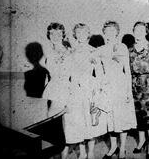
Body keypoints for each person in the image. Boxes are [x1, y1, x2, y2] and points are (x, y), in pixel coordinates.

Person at [69, 23, 108, 159]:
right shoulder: (71, 51)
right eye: (78, 33)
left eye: (83, 33)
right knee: (80, 121)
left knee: (90, 119)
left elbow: (99, 71)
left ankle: (90, 152)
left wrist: (98, 89)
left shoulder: (93, 51)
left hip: (89, 87)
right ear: (75, 35)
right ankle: (82, 152)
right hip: (75, 89)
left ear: (88, 34)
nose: (81, 35)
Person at [99, 21, 137, 159]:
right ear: (104, 32)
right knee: (110, 119)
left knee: (122, 118)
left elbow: (127, 70)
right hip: (107, 87)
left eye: (112, 30)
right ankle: (113, 146)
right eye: (107, 30)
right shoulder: (101, 49)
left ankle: (122, 148)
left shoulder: (122, 47)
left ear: (117, 32)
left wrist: (128, 90)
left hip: (120, 86)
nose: (109, 33)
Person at [42, 22, 75, 159]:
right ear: (49, 35)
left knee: (64, 124)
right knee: (51, 123)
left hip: (65, 88)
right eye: (52, 33)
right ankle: (55, 154)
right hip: (51, 88)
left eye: (58, 33)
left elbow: (72, 74)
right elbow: (46, 73)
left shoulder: (69, 51)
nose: (55, 36)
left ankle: (64, 156)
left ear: (63, 35)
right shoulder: (46, 51)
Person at [129, 21, 149, 159]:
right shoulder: (129, 50)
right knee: (138, 115)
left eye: (141, 30)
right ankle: (141, 141)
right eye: (136, 30)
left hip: (148, 86)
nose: (138, 32)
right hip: (134, 85)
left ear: (146, 32)